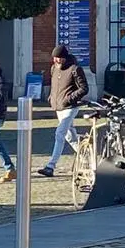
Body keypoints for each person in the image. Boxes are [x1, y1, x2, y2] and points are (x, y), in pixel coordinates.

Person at [37, 44, 88, 178]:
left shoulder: (75, 69)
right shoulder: (54, 68)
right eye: (55, 58)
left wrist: (69, 99)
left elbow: (84, 89)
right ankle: (87, 160)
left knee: (60, 133)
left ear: (65, 57)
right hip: (58, 106)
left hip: (70, 107)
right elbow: (55, 85)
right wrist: (51, 97)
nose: (57, 60)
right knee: (70, 137)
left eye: (59, 58)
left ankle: (50, 166)